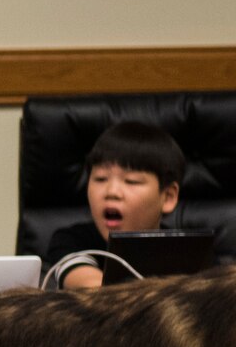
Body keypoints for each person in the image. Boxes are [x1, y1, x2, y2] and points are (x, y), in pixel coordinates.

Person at [42, 120, 186, 289]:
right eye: (100, 179)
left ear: (168, 197)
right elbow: (91, 286)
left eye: (131, 181)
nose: (111, 192)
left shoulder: (190, 251)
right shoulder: (72, 240)